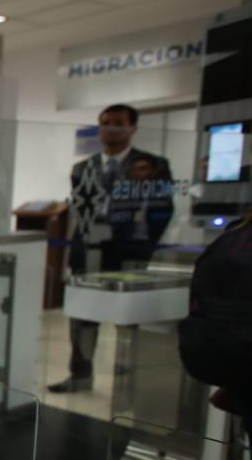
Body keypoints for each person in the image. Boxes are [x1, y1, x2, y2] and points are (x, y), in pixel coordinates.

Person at [49, 103, 174, 393]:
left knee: (127, 319)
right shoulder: (83, 168)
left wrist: (142, 246)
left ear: (132, 127)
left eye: (118, 123)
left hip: (129, 253)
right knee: (82, 317)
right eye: (105, 123)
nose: (110, 128)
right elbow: (81, 212)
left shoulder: (152, 166)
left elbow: (162, 209)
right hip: (90, 251)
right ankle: (80, 374)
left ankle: (126, 373)